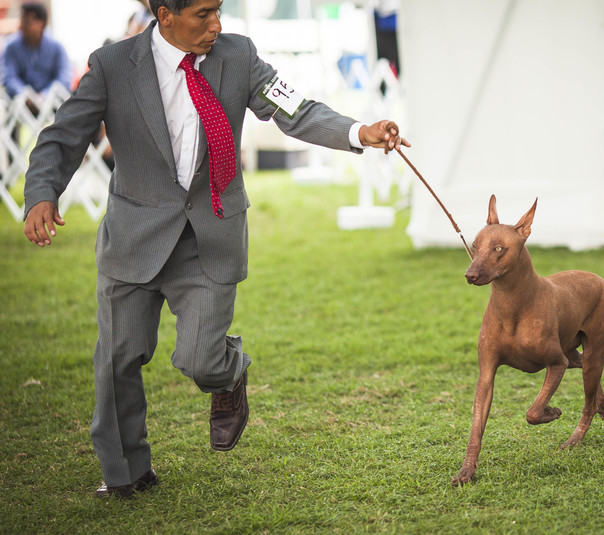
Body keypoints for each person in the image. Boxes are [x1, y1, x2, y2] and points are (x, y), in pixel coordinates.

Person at [23, 0, 409, 498]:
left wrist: (359, 132)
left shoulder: (238, 56)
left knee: (202, 359)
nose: (217, 25)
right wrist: (42, 193)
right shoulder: (112, 66)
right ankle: (126, 473)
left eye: (219, 10)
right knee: (117, 359)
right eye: (203, 14)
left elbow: (296, 111)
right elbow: (63, 137)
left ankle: (229, 376)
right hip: (133, 237)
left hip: (210, 236)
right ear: (165, 15)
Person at [1, 1, 71, 114]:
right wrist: (26, 96)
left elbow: (64, 78)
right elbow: (9, 77)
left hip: (52, 104)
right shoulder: (11, 47)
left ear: (41, 23)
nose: (21, 26)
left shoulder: (56, 47)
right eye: (21, 20)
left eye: (27, 22)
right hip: (21, 106)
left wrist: (44, 96)